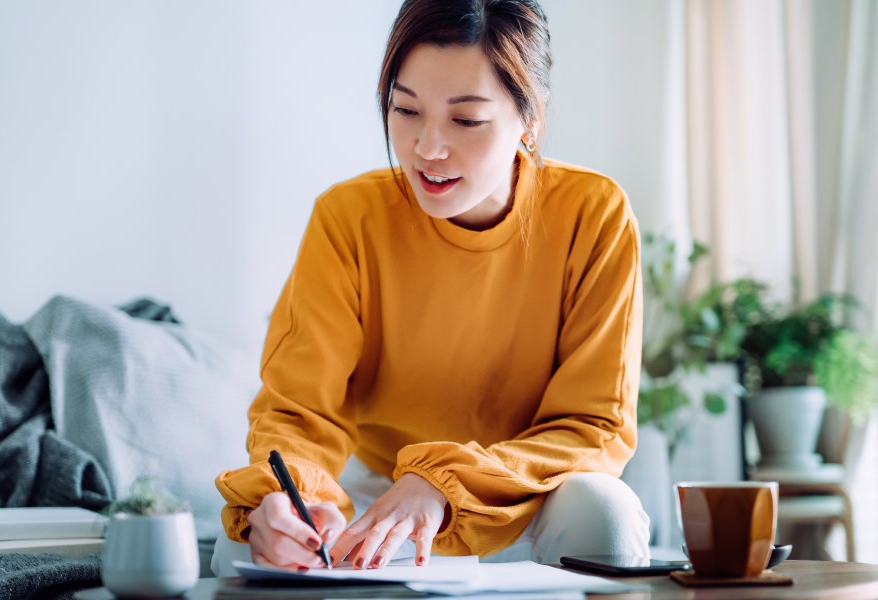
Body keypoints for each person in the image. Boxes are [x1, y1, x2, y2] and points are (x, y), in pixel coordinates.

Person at [212, 0, 649, 575]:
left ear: (531, 118)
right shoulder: (349, 217)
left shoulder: (593, 214)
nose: (427, 148)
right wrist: (296, 498)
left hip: (524, 495)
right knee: (245, 544)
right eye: (405, 109)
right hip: (378, 497)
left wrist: (444, 482)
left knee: (606, 514)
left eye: (466, 120)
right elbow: (297, 411)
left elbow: (594, 425)